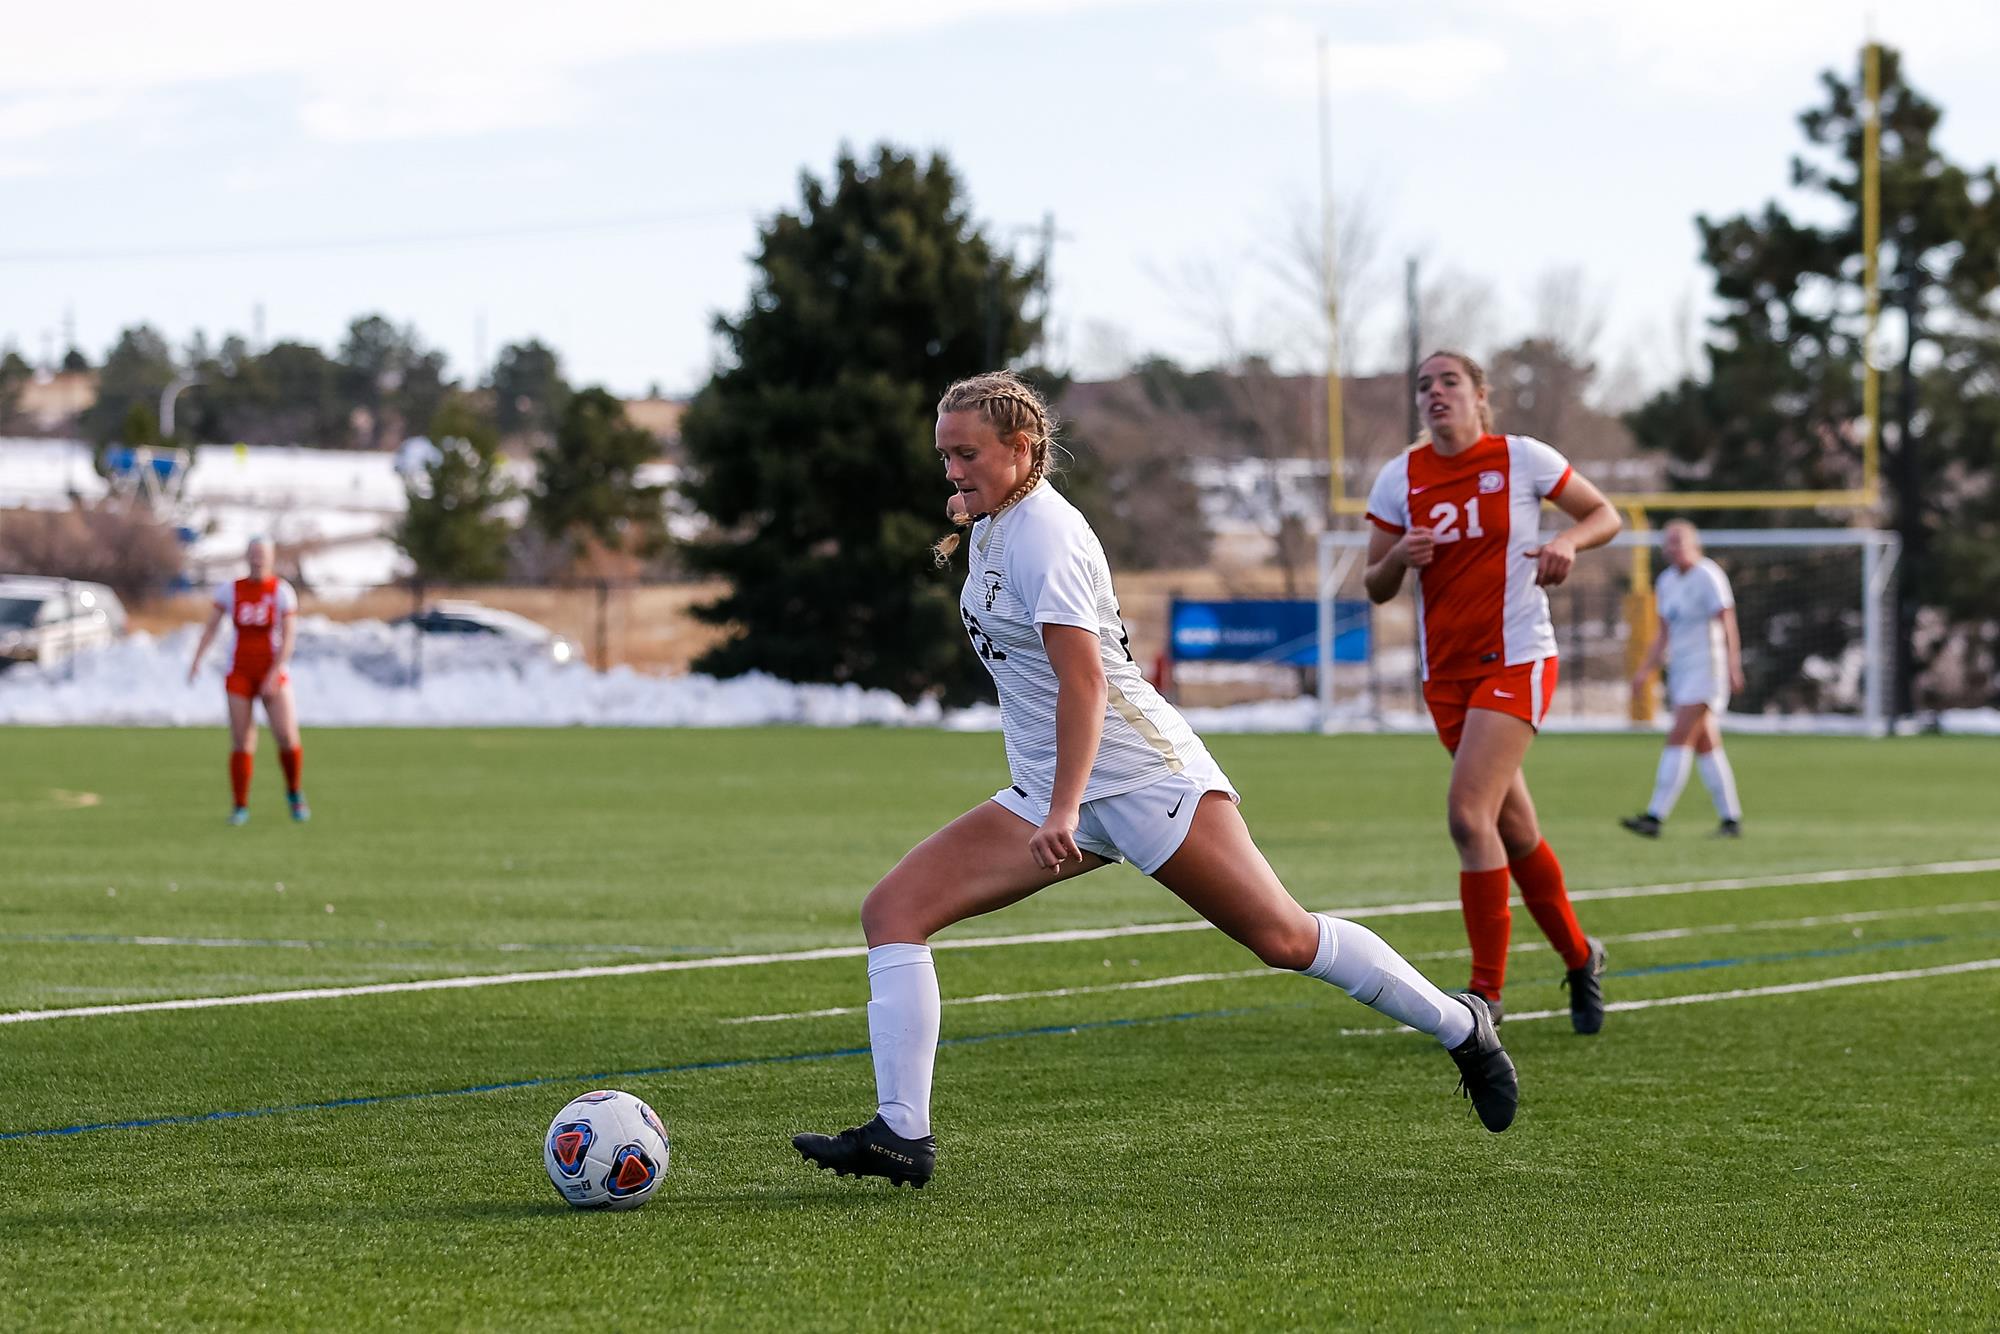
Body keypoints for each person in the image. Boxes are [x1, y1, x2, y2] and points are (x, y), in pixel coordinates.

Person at [792, 371, 1517, 1189]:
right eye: (944, 456)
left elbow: (1086, 685)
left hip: (1138, 777)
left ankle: (1462, 1025)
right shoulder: (995, 523)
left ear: (1022, 449)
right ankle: (902, 1133)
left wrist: (1064, 806)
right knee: (892, 912)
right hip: (1052, 785)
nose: (952, 472)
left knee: (1284, 938)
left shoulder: (1045, 535)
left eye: (967, 455)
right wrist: (1055, 796)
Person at [1362, 351, 1622, 1032]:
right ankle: (1579, 955)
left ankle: (1484, 996)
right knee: (1514, 827)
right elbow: (1374, 585)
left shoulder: (1523, 458)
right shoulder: (1402, 477)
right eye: (1424, 386)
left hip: (1516, 659)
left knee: (1467, 815)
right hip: (1443, 675)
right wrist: (1398, 558)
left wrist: (1569, 541)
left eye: (1450, 382)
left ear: (1481, 396)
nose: (1435, 394)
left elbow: (1605, 515)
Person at [1621, 519, 1745, 838]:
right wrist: (1644, 671)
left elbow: (1727, 621)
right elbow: (1663, 635)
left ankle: (1654, 816)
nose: (1673, 549)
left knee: (1678, 737)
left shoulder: (1708, 575)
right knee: (1707, 745)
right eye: (1669, 543)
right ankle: (1730, 820)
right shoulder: (1665, 582)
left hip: (1708, 669)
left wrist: (1733, 663)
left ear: (1694, 545)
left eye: (1680, 542)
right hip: (1682, 671)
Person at [186, 536, 309, 826]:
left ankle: (294, 793)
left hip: (272, 671)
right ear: (247, 556)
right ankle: (240, 805)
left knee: (286, 736)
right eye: (253, 553)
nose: (257, 559)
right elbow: (212, 627)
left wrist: (274, 673)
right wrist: (197, 658)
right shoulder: (231, 590)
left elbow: (289, 637)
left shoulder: (281, 591)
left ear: (271, 557)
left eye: (262, 554)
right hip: (239, 672)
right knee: (242, 740)